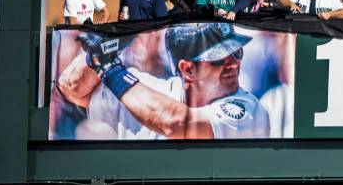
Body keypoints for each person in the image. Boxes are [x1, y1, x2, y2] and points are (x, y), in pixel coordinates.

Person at [57, 23, 269, 139]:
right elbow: (70, 87)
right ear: (187, 70)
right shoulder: (147, 90)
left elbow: (177, 123)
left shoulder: (249, 109)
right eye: (218, 60)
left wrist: (110, 69)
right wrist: (110, 43)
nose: (233, 64)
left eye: (236, 52)